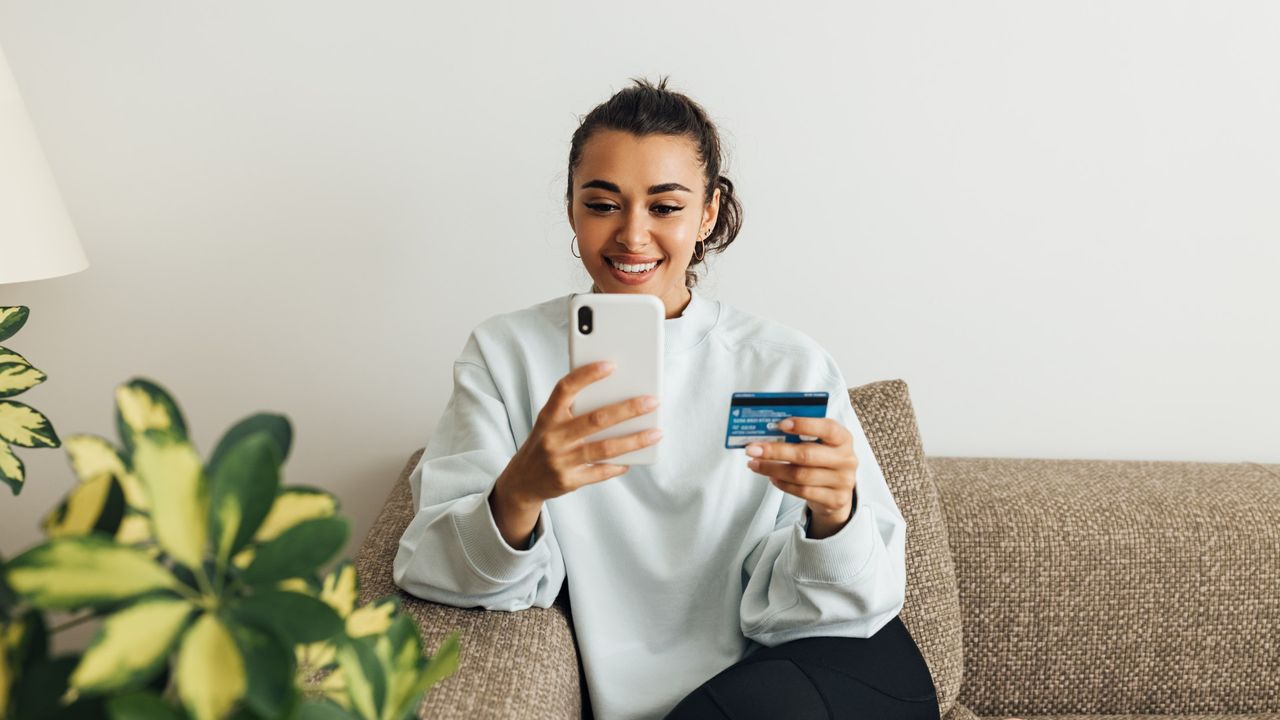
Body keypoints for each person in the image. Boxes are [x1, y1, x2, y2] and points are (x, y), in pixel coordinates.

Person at [393, 76, 939, 720]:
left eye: (664, 206)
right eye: (602, 204)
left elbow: (853, 604)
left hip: (816, 671)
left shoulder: (784, 361)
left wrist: (834, 517)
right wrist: (518, 493)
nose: (631, 234)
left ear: (706, 214)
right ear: (571, 208)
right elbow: (431, 568)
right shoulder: (509, 354)